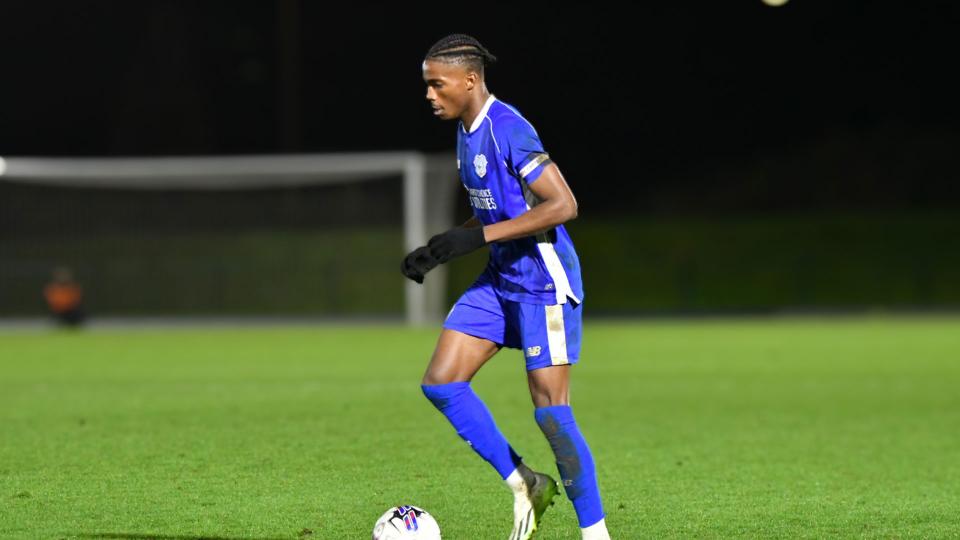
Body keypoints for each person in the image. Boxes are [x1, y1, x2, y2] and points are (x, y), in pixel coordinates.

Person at [402, 34, 610, 540]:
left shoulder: (509, 128)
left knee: (551, 415)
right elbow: (498, 209)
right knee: (442, 382)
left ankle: (596, 533)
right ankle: (526, 483)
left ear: (470, 80)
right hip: (500, 280)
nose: (429, 94)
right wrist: (444, 246)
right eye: (427, 84)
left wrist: (477, 239)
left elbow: (563, 205)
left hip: (543, 283)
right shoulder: (465, 131)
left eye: (438, 84)